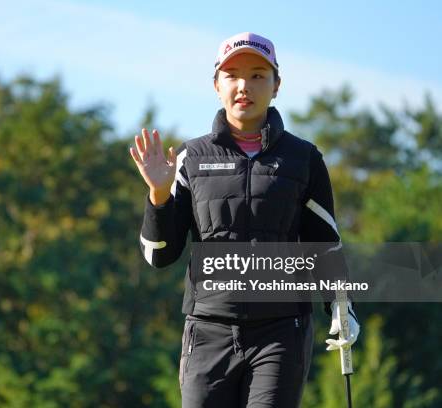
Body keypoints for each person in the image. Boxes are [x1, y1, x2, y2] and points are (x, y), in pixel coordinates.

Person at [129, 32, 360, 407]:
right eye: (233, 75)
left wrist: (341, 304)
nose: (244, 86)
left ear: (276, 86)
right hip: (207, 331)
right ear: (216, 85)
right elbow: (160, 256)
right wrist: (158, 195)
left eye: (257, 75)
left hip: (281, 332)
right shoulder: (191, 157)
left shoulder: (304, 159)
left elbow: (325, 243)